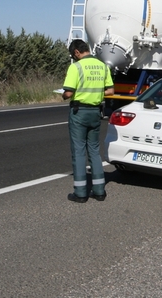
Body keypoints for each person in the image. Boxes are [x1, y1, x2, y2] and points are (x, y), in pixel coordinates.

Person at [61, 39, 114, 203]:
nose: (73, 57)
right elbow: (110, 91)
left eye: (73, 55)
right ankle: (99, 191)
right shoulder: (102, 66)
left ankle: (81, 193)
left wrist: (63, 95)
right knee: (94, 150)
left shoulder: (76, 67)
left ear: (76, 52)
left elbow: (68, 93)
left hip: (79, 112)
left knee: (78, 151)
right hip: (95, 112)